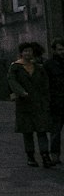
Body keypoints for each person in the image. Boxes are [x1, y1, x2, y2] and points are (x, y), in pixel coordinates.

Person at [7, 41, 53, 169]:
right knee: (27, 132)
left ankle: (45, 155)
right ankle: (30, 156)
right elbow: (12, 81)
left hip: (38, 104)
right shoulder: (15, 67)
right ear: (21, 53)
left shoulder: (38, 67)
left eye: (29, 51)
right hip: (24, 105)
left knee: (42, 130)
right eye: (25, 51)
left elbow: (45, 84)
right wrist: (21, 92)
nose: (27, 53)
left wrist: (46, 100)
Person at [43, 38, 64, 167]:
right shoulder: (49, 65)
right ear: (54, 50)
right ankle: (55, 156)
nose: (63, 52)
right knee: (55, 132)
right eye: (60, 49)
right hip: (56, 103)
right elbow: (45, 85)